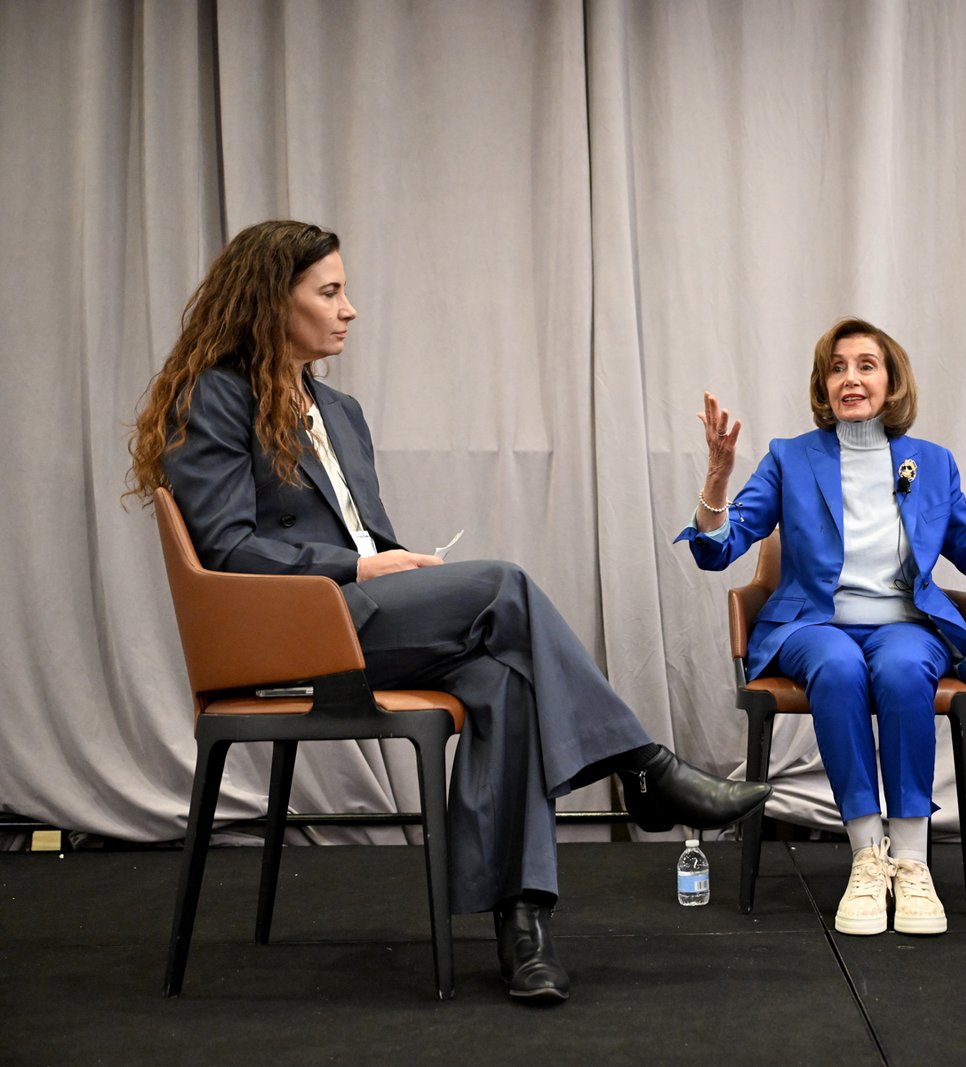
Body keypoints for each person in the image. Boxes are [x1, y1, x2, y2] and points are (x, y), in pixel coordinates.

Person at [127, 220, 770, 1005]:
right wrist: (360, 568)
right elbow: (228, 549)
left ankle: (523, 926)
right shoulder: (214, 397)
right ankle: (643, 767)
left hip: (360, 615)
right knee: (503, 584)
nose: (349, 309)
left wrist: (397, 565)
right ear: (271, 301)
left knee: (507, 679)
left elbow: (366, 537)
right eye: (329, 292)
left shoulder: (340, 412)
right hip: (290, 627)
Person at [678, 318, 966, 936]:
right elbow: (719, 549)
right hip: (814, 625)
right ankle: (864, 857)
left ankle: (911, 860)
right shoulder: (790, 457)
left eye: (866, 365)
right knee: (837, 664)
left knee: (905, 667)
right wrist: (717, 480)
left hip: (903, 624)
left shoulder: (931, 462)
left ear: (891, 381)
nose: (850, 378)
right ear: (823, 386)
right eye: (837, 368)